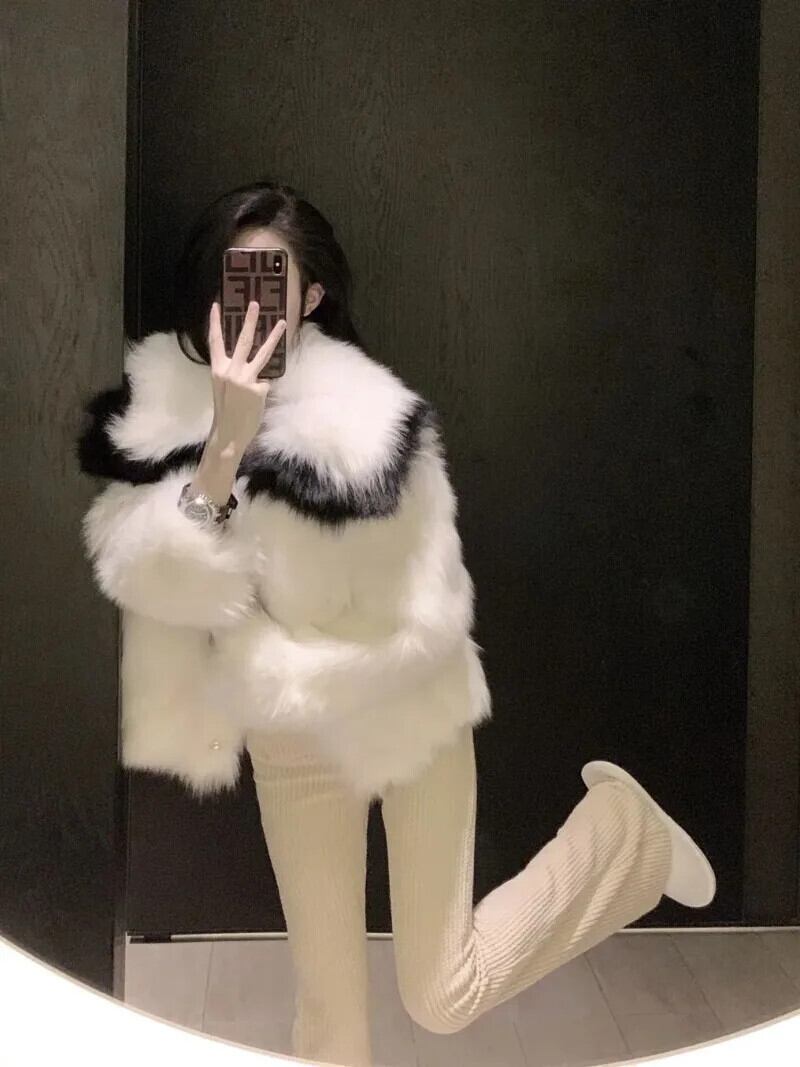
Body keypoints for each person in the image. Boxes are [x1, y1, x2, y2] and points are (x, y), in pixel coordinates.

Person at [77, 178, 716, 1067]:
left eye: (271, 280)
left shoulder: (371, 417)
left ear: (310, 296)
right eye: (234, 275)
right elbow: (152, 586)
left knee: (443, 992)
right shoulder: (164, 405)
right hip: (292, 742)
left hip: (408, 716)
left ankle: (623, 833)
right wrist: (225, 443)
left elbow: (419, 598)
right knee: (328, 1022)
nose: (249, 301)